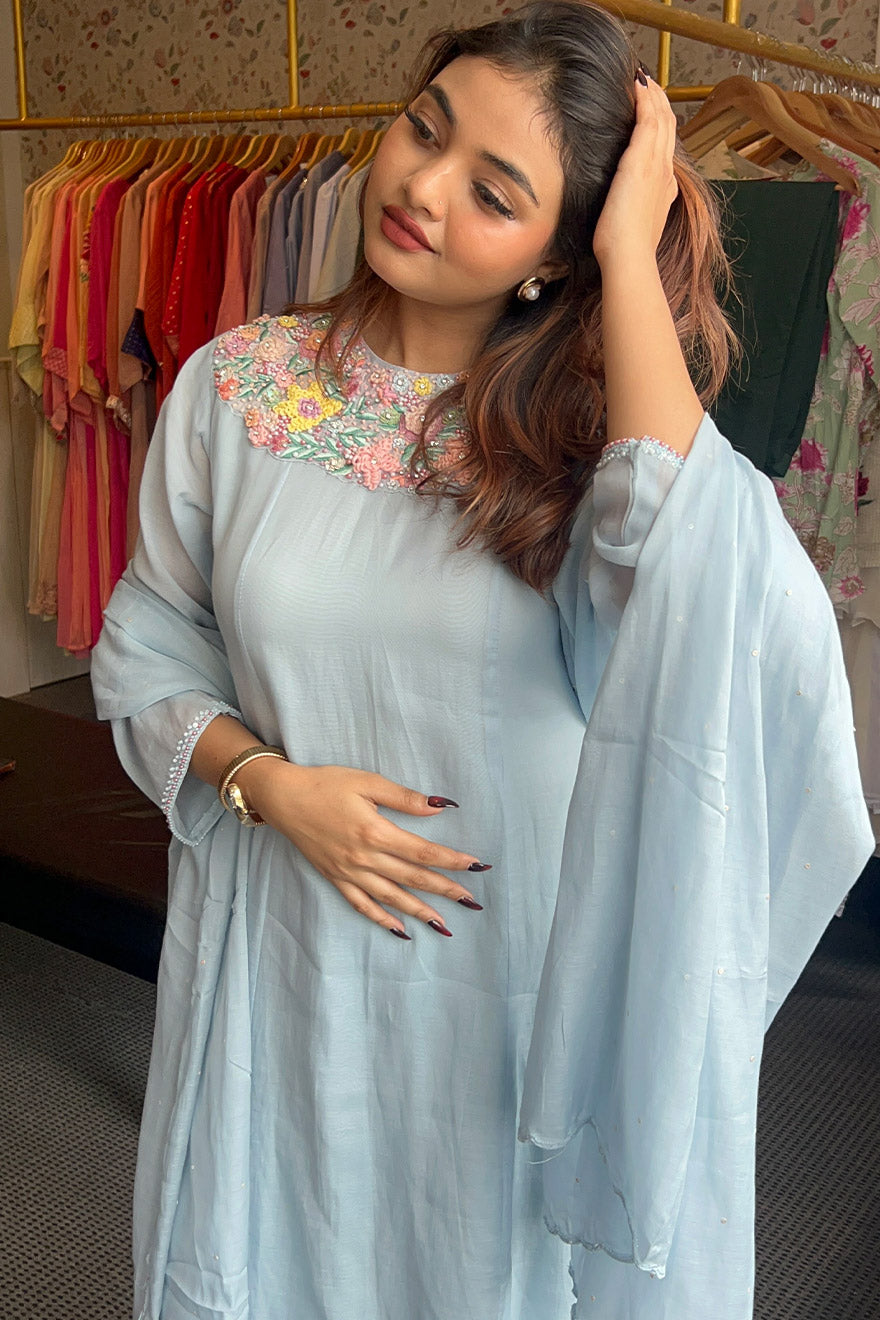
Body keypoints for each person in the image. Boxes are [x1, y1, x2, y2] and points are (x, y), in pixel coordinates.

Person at [90, 4, 873, 1318]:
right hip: (280, 953)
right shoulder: (231, 390)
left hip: (501, 986)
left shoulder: (592, 451)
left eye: (495, 193)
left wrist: (629, 261)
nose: (423, 187)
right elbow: (152, 642)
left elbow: (715, 604)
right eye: (424, 129)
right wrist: (270, 787)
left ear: (554, 260)